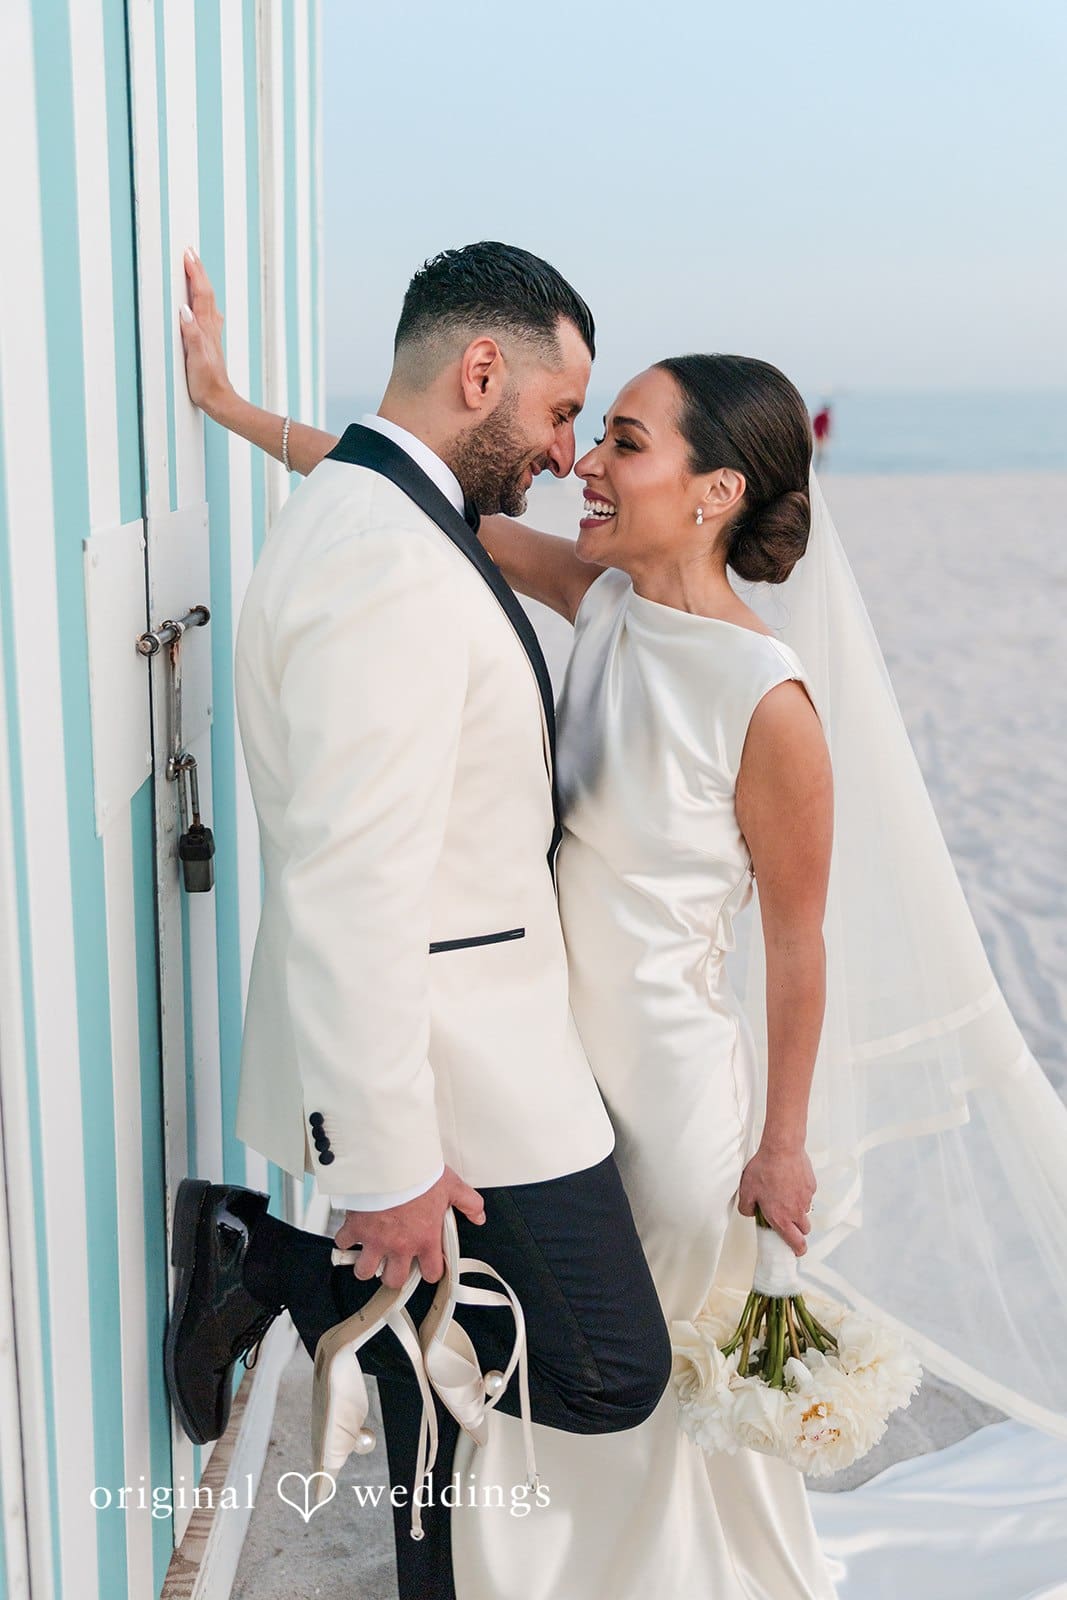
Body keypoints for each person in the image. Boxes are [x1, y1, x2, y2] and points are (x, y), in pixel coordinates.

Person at [181, 256, 1067, 1596]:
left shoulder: (765, 698)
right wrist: (233, 409)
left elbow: (798, 943)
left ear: (714, 493)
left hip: (665, 1088)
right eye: (586, 428)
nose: (583, 462)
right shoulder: (601, 603)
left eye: (623, 441)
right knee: (515, 1327)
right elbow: (411, 495)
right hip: (542, 1060)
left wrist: (780, 1143)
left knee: (618, 1368)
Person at [165, 242, 674, 1600]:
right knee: (604, 1365)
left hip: (475, 1036)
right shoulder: (384, 560)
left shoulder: (384, 506)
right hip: (463, 1065)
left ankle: (430, 1576)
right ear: (480, 371)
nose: (566, 452)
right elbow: (351, 876)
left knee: (435, 1356)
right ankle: (262, 1260)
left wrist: (228, 406)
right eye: (562, 412)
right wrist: (384, 1162)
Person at [812, 400, 832, 469]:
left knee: (819, 451)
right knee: (821, 451)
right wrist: (827, 435)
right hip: (821, 436)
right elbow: (826, 427)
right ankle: (819, 465)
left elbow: (815, 424)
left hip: (818, 435)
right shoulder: (824, 416)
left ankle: (818, 465)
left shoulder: (820, 415)